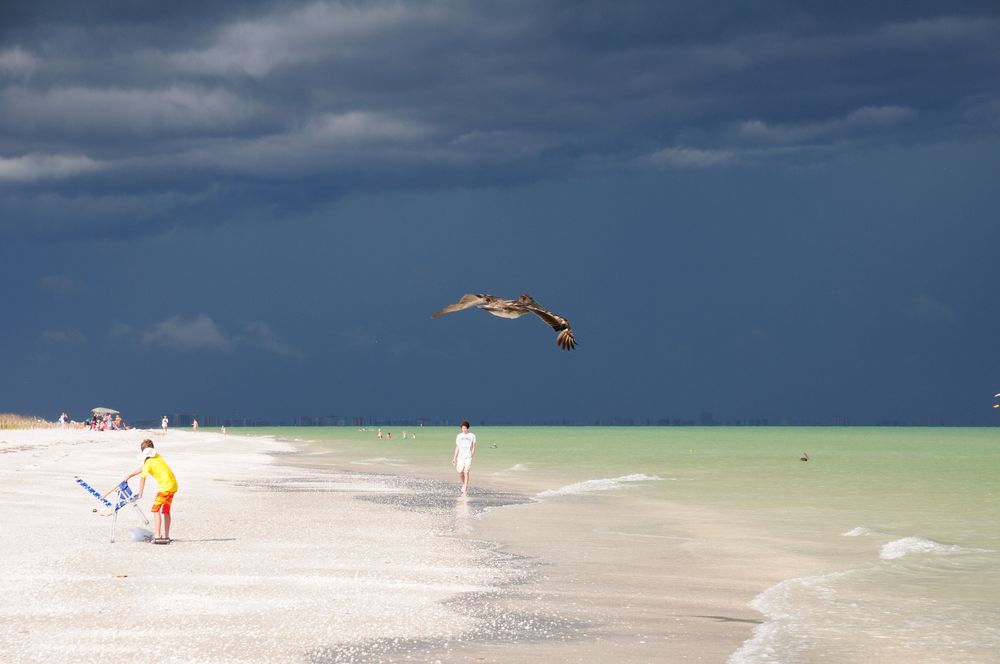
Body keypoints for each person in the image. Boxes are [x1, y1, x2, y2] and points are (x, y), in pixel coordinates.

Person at [104, 439, 178, 544]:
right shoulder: (157, 456)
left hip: (165, 488)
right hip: (173, 486)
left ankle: (158, 536)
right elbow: (144, 468)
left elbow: (143, 478)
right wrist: (130, 475)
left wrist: (140, 492)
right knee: (165, 511)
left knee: (155, 510)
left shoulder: (148, 462)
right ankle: (166, 536)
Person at [451, 421, 476, 496]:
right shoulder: (459, 436)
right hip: (460, 457)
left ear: (468, 428)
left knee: (466, 471)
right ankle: (464, 484)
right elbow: (457, 447)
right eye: (462, 428)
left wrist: (472, 454)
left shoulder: (472, 436)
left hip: (468, 456)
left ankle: (465, 487)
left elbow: (474, 446)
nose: (464, 429)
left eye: (465, 428)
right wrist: (454, 458)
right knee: (460, 472)